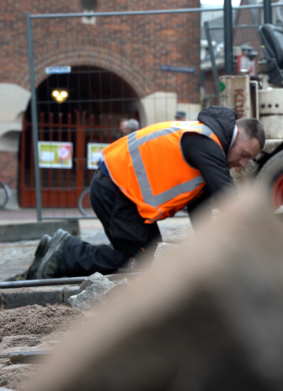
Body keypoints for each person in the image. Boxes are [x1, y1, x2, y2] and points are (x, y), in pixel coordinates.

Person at [26, 106, 265, 280]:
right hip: (117, 191)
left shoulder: (204, 141)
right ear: (236, 136)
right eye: (244, 154)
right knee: (145, 265)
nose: (243, 164)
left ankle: (58, 250)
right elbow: (228, 198)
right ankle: (66, 252)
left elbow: (200, 210)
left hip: (125, 195)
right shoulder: (206, 142)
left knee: (150, 261)